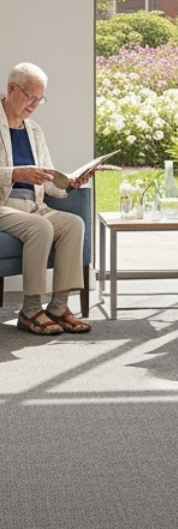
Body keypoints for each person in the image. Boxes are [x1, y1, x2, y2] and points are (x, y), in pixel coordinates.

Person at [1, 62, 92, 335]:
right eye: (31, 97)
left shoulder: (35, 131)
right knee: (40, 227)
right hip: (3, 207)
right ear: (11, 89)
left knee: (73, 224)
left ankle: (58, 307)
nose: (35, 105)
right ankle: (30, 310)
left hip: (33, 206)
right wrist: (16, 173)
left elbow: (48, 178)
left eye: (40, 99)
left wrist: (70, 183)